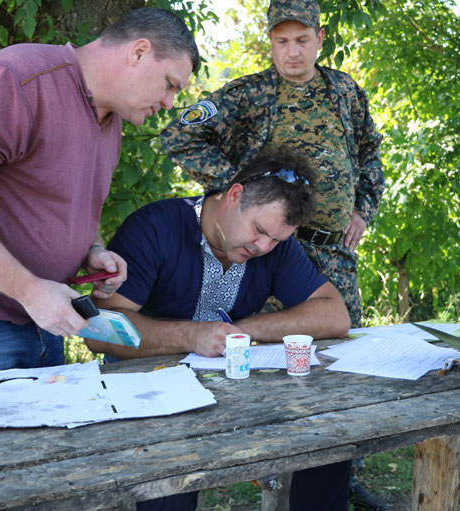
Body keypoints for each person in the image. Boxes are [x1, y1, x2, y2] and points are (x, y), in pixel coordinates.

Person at [161, 0, 387, 510]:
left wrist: (363, 209)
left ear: (320, 39)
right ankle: (256, 477)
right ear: (270, 43)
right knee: (264, 377)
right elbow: (177, 134)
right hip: (271, 257)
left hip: (334, 260)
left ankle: (324, 491)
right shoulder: (249, 94)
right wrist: (238, 187)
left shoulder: (344, 92)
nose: (292, 52)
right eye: (281, 41)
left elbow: (371, 153)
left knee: (333, 382)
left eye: (302, 40)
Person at [0, 7, 200, 386]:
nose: (171, 102)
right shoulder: (20, 78)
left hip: (45, 322)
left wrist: (93, 250)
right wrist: (28, 289)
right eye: (171, 84)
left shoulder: (113, 119)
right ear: (139, 52)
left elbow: (61, 201)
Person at [84, 148, 352, 511]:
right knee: (172, 476)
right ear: (235, 195)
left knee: (328, 441)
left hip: (233, 392)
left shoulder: (274, 248)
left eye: (276, 240)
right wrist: (191, 337)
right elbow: (100, 331)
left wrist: (244, 328)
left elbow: (336, 315)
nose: (263, 247)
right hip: (150, 397)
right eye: (259, 230)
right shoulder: (155, 227)